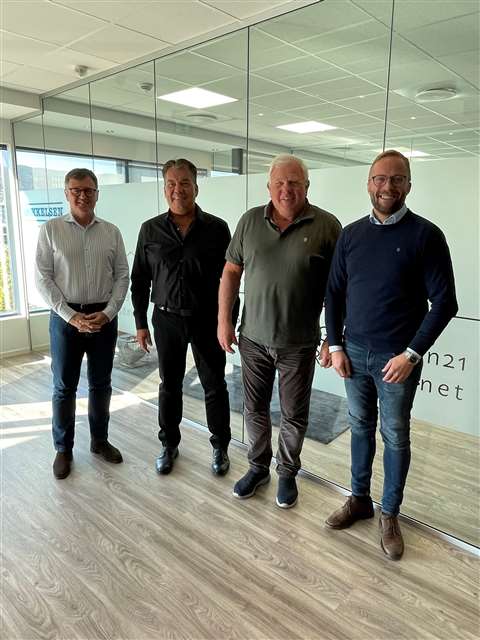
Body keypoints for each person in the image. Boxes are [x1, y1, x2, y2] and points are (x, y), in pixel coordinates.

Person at [325, 149, 458, 560]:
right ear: (369, 183)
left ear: (409, 186)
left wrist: (412, 355)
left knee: (395, 436)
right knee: (360, 428)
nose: (387, 186)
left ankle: (389, 514)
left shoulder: (426, 236)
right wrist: (335, 344)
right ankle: (360, 499)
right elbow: (334, 293)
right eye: (380, 178)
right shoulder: (350, 235)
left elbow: (446, 302)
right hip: (354, 354)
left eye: (397, 179)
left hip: (396, 362)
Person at [218, 154, 341, 509]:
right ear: (269, 186)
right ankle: (258, 468)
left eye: (294, 183)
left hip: (298, 343)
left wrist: (333, 337)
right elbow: (230, 273)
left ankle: (287, 473)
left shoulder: (327, 226)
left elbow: (339, 289)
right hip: (253, 338)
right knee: (254, 409)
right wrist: (224, 320)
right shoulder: (249, 221)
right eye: (280, 183)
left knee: (293, 414)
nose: (286, 189)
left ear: (306, 186)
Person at [131, 158, 233, 476]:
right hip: (166, 320)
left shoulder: (217, 229)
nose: (178, 190)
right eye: (172, 184)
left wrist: (228, 321)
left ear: (196, 187)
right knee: (169, 385)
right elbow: (139, 279)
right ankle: (169, 444)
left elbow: (230, 279)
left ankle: (220, 448)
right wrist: (140, 322)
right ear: (165, 189)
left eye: (184, 183)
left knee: (214, 386)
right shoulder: (150, 229)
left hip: (207, 320)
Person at [36, 168, 129, 480]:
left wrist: (110, 312)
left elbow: (121, 276)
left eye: (88, 190)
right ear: (66, 193)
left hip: (103, 317)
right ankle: (63, 449)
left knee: (101, 384)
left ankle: (99, 441)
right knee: (64, 387)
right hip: (66, 319)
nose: (82, 195)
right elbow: (43, 278)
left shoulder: (111, 232)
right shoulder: (50, 230)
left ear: (97, 193)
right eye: (76, 189)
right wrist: (70, 316)